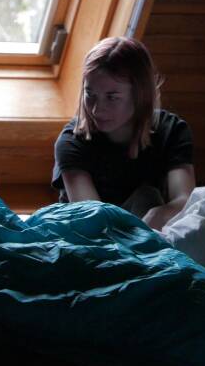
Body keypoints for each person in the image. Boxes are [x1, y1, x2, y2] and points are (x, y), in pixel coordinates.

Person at [51, 37, 195, 231]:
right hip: (90, 235)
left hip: (155, 232)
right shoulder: (72, 141)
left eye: (112, 97)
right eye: (90, 95)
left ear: (140, 94)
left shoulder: (171, 130)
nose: (96, 110)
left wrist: (159, 214)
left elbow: (185, 201)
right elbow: (94, 218)